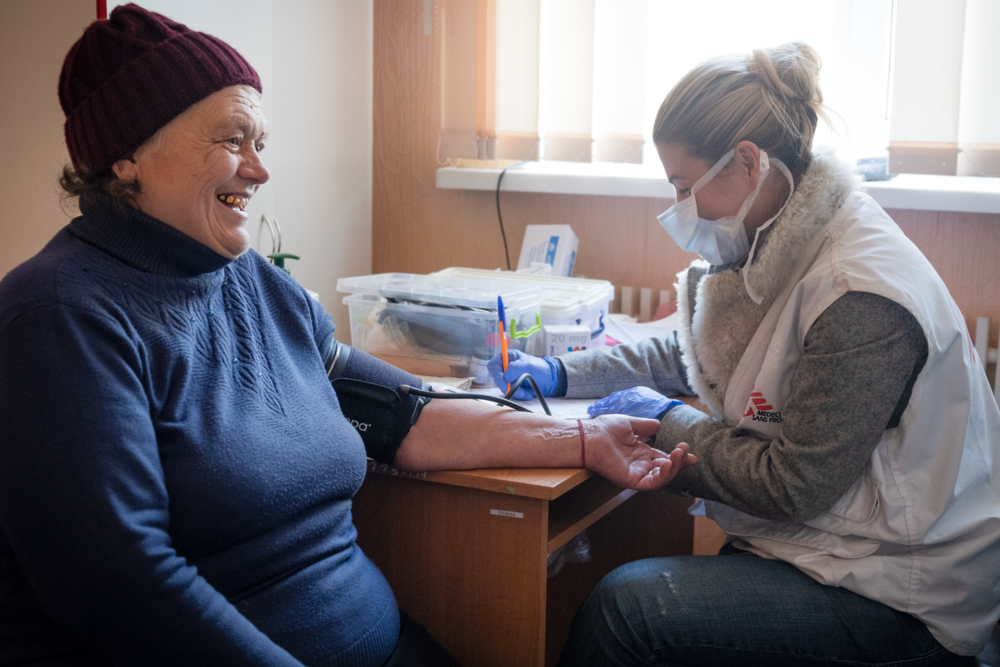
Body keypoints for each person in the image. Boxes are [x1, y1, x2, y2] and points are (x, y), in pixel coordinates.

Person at [0, 5, 696, 666]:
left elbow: (405, 415)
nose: (260, 168)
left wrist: (581, 439)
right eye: (231, 138)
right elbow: (120, 586)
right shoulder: (59, 315)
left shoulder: (255, 284)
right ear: (126, 156)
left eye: (260, 142)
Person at [489, 42, 1000, 666]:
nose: (678, 208)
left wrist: (664, 419)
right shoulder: (775, 236)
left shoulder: (859, 294)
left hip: (905, 593)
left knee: (627, 609)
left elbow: (792, 485)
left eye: (683, 186)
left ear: (748, 162)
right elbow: (697, 347)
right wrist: (565, 370)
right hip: (836, 547)